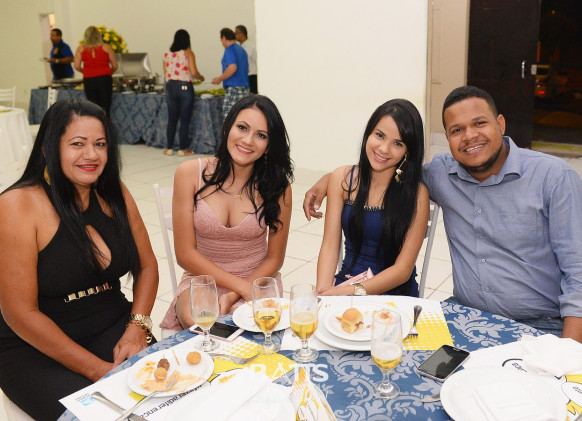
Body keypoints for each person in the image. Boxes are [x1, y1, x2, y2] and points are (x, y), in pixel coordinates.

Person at [304, 86, 582, 342]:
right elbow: (388, 173)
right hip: (465, 314)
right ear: (447, 138)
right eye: (457, 130)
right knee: (412, 366)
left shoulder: (554, 178)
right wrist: (329, 181)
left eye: (479, 123)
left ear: (500, 123)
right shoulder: (441, 173)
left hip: (540, 323)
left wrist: (567, 354)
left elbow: (578, 273)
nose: (469, 136)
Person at [0, 99, 159, 419]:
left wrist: (137, 326)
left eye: (100, 144)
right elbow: (20, 313)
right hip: (34, 347)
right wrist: (97, 370)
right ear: (48, 149)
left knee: (172, 397)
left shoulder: (114, 192)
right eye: (77, 144)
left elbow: (147, 267)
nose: (92, 154)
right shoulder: (18, 205)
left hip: (112, 323)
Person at [160, 95, 293, 332]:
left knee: (253, 327)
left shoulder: (278, 187)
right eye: (242, 128)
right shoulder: (189, 173)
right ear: (227, 127)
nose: (248, 140)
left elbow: (274, 258)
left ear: (269, 146)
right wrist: (240, 288)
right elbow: (185, 254)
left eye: (261, 135)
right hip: (201, 278)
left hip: (257, 280)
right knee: (201, 323)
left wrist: (238, 293)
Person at [317, 99, 429, 297]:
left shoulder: (417, 194)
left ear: (408, 151)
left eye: (398, 143)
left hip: (394, 293)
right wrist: (323, 291)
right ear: (368, 133)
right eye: (379, 135)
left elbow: (402, 270)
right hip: (347, 281)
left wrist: (351, 291)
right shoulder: (341, 179)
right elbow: (330, 244)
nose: (384, 149)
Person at [163, 29, 205, 157]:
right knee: (184, 119)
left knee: (172, 119)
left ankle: (169, 148)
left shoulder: (167, 54)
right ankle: (183, 149)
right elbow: (193, 72)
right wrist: (201, 77)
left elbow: (165, 73)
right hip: (185, 87)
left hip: (170, 87)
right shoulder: (188, 53)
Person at [74, 26, 118, 116]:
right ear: (99, 35)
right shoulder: (106, 47)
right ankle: (105, 124)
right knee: (105, 107)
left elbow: (76, 66)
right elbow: (115, 66)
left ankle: (94, 124)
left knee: (92, 107)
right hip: (105, 79)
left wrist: (84, 71)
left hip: (89, 79)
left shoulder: (81, 48)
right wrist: (109, 72)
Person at [212, 28, 250, 122]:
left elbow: (232, 67)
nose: (222, 43)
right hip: (245, 89)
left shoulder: (229, 50)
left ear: (224, 38)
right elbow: (247, 69)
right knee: (242, 119)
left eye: (221, 40)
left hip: (234, 89)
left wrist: (220, 78)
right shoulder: (242, 50)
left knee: (229, 119)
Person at [235, 25, 257, 94]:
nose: (235, 35)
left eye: (236, 33)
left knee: (252, 97)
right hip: (242, 78)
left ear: (242, 34)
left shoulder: (251, 47)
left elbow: (257, 61)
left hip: (251, 77)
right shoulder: (238, 47)